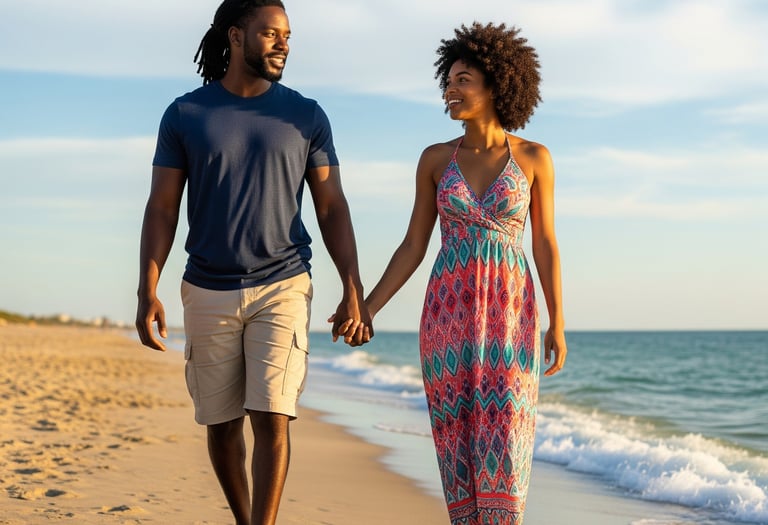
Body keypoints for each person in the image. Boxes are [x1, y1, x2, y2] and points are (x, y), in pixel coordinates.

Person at [135, 1, 372, 524]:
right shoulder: (185, 114)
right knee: (220, 425)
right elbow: (162, 207)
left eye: (287, 35)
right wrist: (146, 288)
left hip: (283, 281)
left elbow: (332, 206)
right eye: (270, 33)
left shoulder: (305, 115)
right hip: (207, 286)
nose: (283, 43)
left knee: (273, 415)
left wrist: (352, 286)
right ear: (236, 36)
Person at [342, 22, 567, 524]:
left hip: (512, 316)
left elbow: (545, 243)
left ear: (496, 85)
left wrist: (558, 320)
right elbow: (412, 246)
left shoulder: (534, 158)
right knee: (458, 453)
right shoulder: (435, 160)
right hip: (448, 316)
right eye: (449, 79)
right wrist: (368, 308)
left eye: (463, 79)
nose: (451, 88)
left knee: (507, 445)